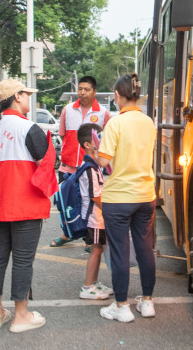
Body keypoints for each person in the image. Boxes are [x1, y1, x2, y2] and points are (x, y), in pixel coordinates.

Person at [0, 79, 51, 333]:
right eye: (26, 94)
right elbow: (45, 165)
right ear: (18, 96)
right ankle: (21, 316)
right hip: (24, 204)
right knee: (22, 260)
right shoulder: (29, 128)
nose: (29, 98)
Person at [97, 73, 157, 323]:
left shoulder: (115, 123)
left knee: (120, 251)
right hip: (146, 194)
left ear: (118, 96)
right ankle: (147, 301)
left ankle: (122, 306)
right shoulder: (149, 122)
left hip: (119, 197)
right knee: (145, 248)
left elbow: (103, 161)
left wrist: (94, 151)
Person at [51, 75, 111, 248]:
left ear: (94, 92)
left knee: (90, 204)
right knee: (67, 203)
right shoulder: (68, 110)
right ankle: (68, 233)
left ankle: (89, 240)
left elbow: (107, 139)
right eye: (80, 89)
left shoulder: (103, 113)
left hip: (89, 168)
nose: (82, 92)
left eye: (87, 89)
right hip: (68, 167)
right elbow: (62, 134)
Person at [76, 123, 113, 301]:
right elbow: (95, 196)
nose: (101, 141)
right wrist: (109, 211)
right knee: (96, 250)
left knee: (98, 249)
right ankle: (87, 287)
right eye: (97, 138)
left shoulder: (95, 164)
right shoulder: (89, 168)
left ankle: (94, 283)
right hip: (94, 217)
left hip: (97, 217)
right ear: (87, 145)